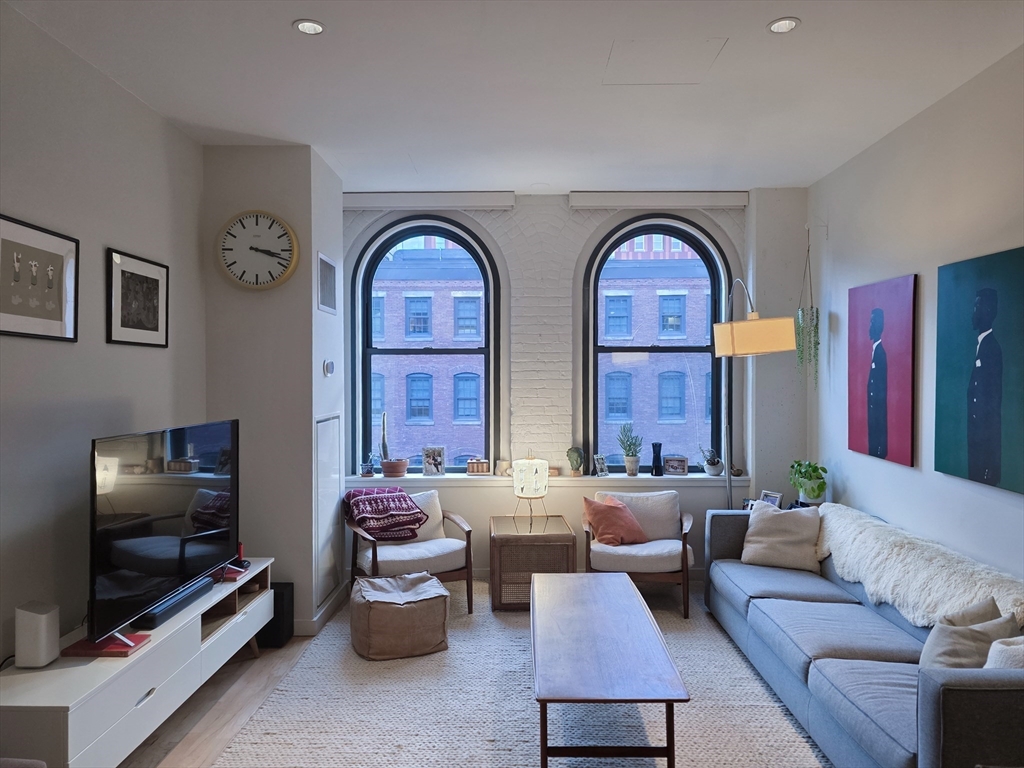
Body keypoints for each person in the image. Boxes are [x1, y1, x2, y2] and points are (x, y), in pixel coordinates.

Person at [967, 288, 1002, 485]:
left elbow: (993, 411)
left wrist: (991, 465)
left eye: (976, 306)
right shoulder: (982, 346)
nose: (973, 312)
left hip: (984, 455)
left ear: (988, 311)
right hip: (977, 449)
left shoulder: (992, 349)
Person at [867, 308, 887, 459]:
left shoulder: (880, 353)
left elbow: (881, 388)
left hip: (877, 412)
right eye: (870, 321)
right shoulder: (875, 351)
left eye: (873, 322)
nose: (870, 325)